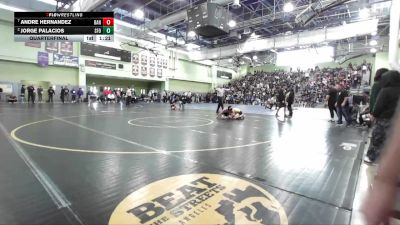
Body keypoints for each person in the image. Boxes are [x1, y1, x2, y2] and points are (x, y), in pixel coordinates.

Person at [362, 100, 400, 225]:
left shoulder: (383, 87)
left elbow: (376, 107)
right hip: (391, 123)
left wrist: (385, 181)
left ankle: (373, 158)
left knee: (378, 140)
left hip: (384, 121)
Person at [365, 70, 400, 163]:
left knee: (377, 138)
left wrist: (373, 115)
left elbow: (379, 105)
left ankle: (371, 158)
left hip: (384, 120)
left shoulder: (385, 90)